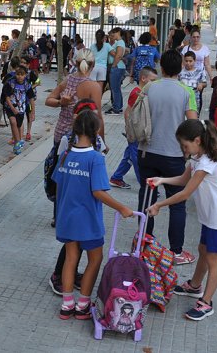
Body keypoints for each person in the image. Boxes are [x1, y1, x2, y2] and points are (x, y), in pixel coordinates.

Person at [147, 119, 217, 321]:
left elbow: (185, 193)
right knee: (203, 250)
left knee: (213, 259)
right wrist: (162, 180)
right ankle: (195, 286)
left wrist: (159, 204)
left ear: (197, 140)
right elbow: (183, 179)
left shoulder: (206, 163)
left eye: (185, 145)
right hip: (209, 217)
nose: (183, 149)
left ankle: (207, 302)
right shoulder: (196, 158)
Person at [55, 108, 134, 320]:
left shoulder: (65, 155)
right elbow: (98, 191)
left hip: (67, 216)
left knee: (71, 258)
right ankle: (83, 304)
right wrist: (122, 207)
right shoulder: (95, 158)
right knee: (95, 259)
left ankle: (67, 303)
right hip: (88, 219)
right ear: (96, 131)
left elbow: (59, 183)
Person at [137, 50, 199, 266]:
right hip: (174, 155)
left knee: (146, 198)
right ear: (180, 67)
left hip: (147, 151)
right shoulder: (186, 92)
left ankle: (143, 246)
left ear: (161, 67)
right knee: (177, 203)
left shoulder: (149, 87)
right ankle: (176, 252)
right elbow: (193, 125)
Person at [110, 67, 157, 189]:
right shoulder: (136, 92)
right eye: (152, 80)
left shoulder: (144, 92)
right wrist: (130, 131)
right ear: (143, 78)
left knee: (129, 156)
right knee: (136, 159)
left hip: (136, 132)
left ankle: (116, 177)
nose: (154, 83)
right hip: (135, 133)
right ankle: (144, 185)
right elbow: (128, 112)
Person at [2, 65, 35, 154]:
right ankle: (18, 142)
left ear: (25, 75)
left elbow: (31, 98)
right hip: (10, 107)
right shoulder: (11, 83)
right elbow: (7, 97)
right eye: (18, 74)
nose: (19, 76)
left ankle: (17, 145)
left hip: (21, 109)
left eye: (22, 74)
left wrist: (32, 113)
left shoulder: (27, 84)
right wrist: (12, 108)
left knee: (18, 125)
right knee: (13, 122)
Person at [106, 27, 127, 115]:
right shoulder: (119, 42)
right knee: (117, 88)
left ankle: (116, 108)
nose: (111, 36)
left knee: (114, 89)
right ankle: (119, 106)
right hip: (119, 67)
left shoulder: (120, 42)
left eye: (113, 33)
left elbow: (118, 56)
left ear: (118, 32)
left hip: (117, 67)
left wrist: (113, 66)